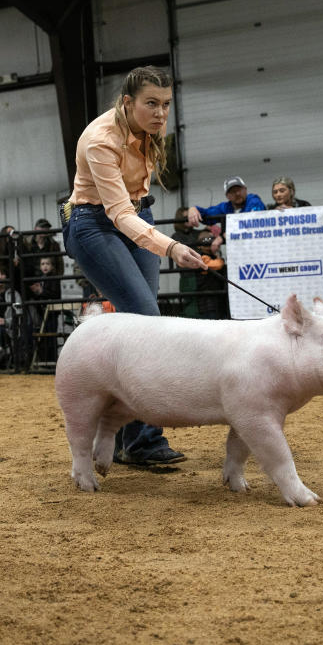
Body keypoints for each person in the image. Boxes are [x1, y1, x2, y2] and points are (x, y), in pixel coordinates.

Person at [62, 65, 206, 467]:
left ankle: (126, 436)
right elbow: (119, 213)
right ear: (127, 103)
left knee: (141, 321)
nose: (161, 114)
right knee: (145, 320)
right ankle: (142, 439)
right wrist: (172, 247)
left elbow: (134, 209)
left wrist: (161, 241)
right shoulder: (100, 140)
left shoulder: (148, 132)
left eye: (165, 105)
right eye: (151, 104)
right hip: (93, 224)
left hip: (137, 218)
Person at [187, 176, 266, 228]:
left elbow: (250, 222)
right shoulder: (225, 207)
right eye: (233, 191)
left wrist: (222, 237)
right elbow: (207, 214)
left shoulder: (253, 201)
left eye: (239, 190)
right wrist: (194, 209)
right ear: (227, 196)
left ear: (245, 189)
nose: (237, 194)